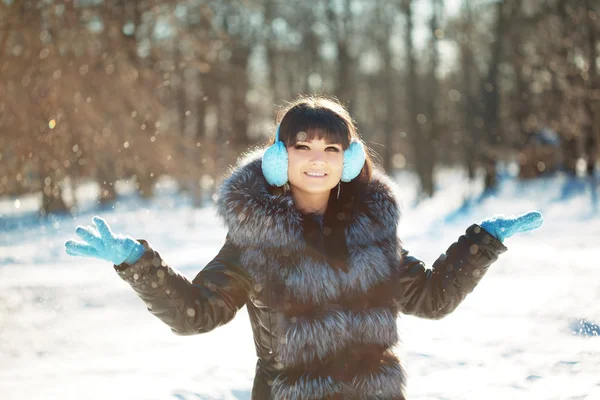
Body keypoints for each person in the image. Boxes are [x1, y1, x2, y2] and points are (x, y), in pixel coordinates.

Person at [65, 96, 543, 399]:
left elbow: (431, 299)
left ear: (350, 159)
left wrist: (482, 243)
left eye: (332, 149)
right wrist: (136, 263)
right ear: (278, 158)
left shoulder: (372, 233)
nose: (318, 160)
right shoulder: (255, 240)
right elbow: (198, 314)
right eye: (302, 147)